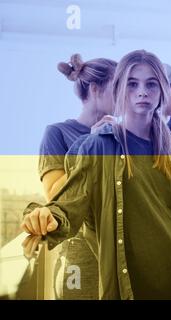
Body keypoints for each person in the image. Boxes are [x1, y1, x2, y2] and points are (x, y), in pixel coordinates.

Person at [22, 49, 171, 299]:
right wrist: (46, 217)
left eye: (151, 84)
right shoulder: (97, 146)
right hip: (127, 280)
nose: (142, 92)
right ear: (119, 90)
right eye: (132, 84)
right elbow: (68, 202)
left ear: (162, 91)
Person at [38, 54, 117, 299]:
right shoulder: (57, 133)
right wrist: (89, 145)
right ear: (95, 89)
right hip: (80, 254)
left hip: (116, 250)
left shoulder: (119, 135)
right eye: (118, 88)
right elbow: (55, 195)